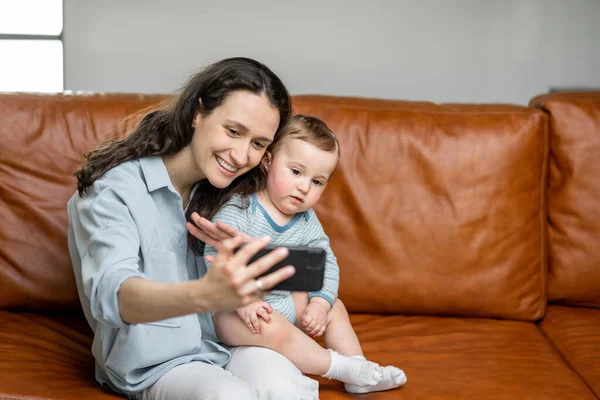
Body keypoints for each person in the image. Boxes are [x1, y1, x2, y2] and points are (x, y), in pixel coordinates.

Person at [67, 57, 321, 399]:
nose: (241, 155)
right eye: (233, 131)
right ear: (198, 113)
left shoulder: (231, 197)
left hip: (222, 347)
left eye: (259, 144)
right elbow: (112, 296)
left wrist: (250, 264)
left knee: (286, 386)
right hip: (156, 365)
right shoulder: (115, 190)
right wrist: (206, 293)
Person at [193, 114, 407, 394]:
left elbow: (326, 263)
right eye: (296, 172)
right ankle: (340, 367)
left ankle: (358, 370)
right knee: (268, 324)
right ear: (267, 161)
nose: (304, 187)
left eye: (317, 181)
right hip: (238, 314)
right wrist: (243, 301)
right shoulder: (241, 208)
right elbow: (217, 260)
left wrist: (319, 304)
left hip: (287, 305)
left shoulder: (307, 221)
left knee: (335, 307)